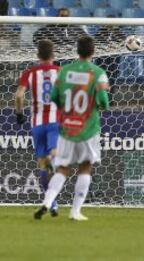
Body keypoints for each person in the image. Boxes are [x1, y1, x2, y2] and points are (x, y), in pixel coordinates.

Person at [34, 36, 110, 221]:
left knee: (62, 168)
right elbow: (104, 103)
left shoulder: (64, 71)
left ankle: (47, 201)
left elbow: (54, 97)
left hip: (66, 129)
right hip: (88, 128)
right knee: (85, 167)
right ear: (93, 52)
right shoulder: (98, 73)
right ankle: (75, 211)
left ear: (77, 51)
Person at [15, 39, 60, 216]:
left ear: (37, 55)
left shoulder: (29, 73)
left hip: (37, 123)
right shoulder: (61, 72)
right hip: (56, 120)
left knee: (41, 165)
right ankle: (53, 159)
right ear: (53, 55)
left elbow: (19, 96)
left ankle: (53, 203)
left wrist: (19, 113)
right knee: (55, 154)